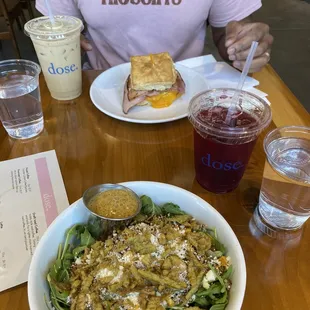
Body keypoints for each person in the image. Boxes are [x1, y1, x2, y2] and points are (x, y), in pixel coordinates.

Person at [36, 0, 273, 72]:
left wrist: (243, 45)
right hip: (100, 88)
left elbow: (227, 33)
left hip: (187, 90)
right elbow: (56, 31)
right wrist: (63, 42)